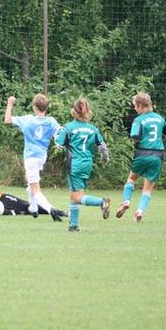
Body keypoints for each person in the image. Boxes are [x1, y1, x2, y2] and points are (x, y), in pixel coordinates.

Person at [4, 94, 67, 221]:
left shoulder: (27, 120)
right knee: (30, 181)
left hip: (31, 157)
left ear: (34, 107)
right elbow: (61, 134)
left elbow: (7, 121)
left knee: (36, 189)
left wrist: (10, 104)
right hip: (41, 157)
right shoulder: (51, 121)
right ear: (46, 108)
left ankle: (50, 209)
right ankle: (33, 209)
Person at [115, 92, 166, 222]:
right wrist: (158, 139)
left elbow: (135, 137)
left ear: (141, 106)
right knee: (147, 188)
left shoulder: (139, 120)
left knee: (131, 179)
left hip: (142, 153)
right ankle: (139, 211)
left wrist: (139, 142)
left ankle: (126, 201)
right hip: (157, 155)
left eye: (135, 106)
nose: (135, 109)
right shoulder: (160, 119)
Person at [55, 98, 111, 232]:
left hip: (75, 163)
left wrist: (56, 136)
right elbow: (102, 147)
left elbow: (59, 145)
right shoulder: (93, 128)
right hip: (87, 163)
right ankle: (74, 226)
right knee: (75, 193)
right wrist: (105, 158)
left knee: (77, 196)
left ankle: (101, 202)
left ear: (73, 111)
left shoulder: (68, 127)